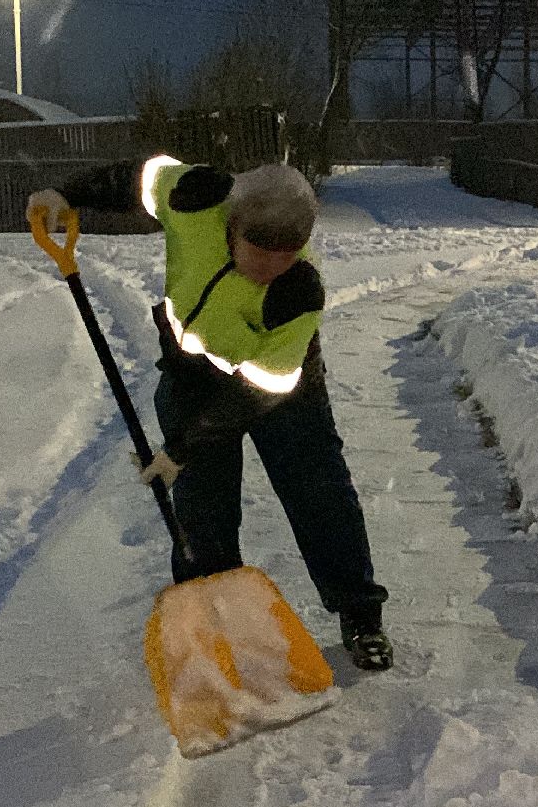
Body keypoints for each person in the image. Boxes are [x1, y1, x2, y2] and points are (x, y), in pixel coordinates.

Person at [27, 157, 392, 670]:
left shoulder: (297, 292)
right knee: (202, 514)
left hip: (276, 388)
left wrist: (179, 450)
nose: (270, 271)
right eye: (258, 256)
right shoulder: (195, 199)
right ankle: (216, 624)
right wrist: (66, 193)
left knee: (318, 491)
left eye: (285, 258)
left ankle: (360, 613)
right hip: (193, 373)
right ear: (230, 225)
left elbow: (257, 392)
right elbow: (137, 176)